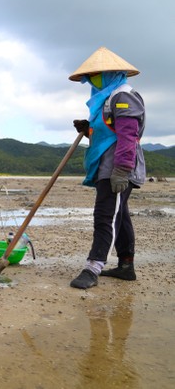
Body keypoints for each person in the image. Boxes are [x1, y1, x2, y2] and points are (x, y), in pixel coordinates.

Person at [68, 47, 146, 289]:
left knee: (105, 215)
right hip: (107, 165)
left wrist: (122, 170)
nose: (91, 80)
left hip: (119, 168)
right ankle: (126, 266)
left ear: (110, 73)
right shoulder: (106, 98)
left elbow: (128, 136)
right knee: (118, 215)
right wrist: (88, 128)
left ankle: (93, 267)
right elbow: (107, 131)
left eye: (96, 75)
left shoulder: (123, 96)